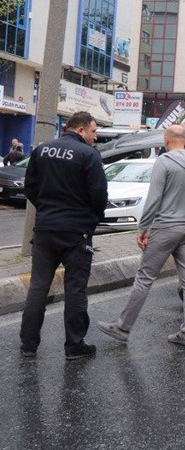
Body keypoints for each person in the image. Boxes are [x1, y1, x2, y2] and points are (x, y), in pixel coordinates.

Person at [97, 125, 185, 347]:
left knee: (144, 278)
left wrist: (143, 228)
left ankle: (122, 327)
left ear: (166, 139)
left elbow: (154, 199)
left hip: (165, 227)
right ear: (184, 140)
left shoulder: (164, 162)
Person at [20, 112, 108, 360]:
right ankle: (74, 345)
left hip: (46, 230)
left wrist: (47, 210)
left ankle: (28, 345)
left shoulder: (42, 150)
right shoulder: (89, 155)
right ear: (80, 130)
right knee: (76, 289)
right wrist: (92, 219)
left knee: (38, 287)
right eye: (93, 131)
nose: (95, 136)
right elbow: (99, 194)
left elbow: (30, 187)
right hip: (76, 232)